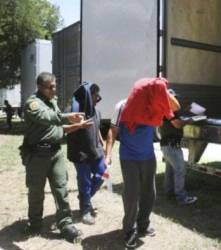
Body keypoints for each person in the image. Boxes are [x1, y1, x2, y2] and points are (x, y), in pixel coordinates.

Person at [106, 78, 180, 248]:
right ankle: (129, 230)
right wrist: (108, 154)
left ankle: (143, 225)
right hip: (129, 158)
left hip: (148, 157)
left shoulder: (153, 105)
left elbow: (175, 107)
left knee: (150, 193)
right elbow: (113, 131)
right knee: (131, 195)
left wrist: (162, 90)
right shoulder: (122, 106)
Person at [21, 72, 92, 242]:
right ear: (40, 87)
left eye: (55, 86)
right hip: (37, 155)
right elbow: (48, 118)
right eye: (50, 87)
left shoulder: (52, 101)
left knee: (61, 189)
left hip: (56, 153)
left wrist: (77, 126)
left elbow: (58, 129)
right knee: (36, 191)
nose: (54, 90)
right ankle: (35, 223)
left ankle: (65, 224)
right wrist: (68, 116)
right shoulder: (32, 104)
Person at [67, 82, 106, 225]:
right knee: (85, 182)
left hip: (96, 152)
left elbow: (97, 129)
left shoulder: (97, 112)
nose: (98, 98)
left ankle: (85, 198)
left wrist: (102, 143)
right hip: (81, 154)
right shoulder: (73, 111)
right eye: (96, 95)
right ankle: (85, 211)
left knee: (104, 174)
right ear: (89, 95)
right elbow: (65, 130)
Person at [160, 89, 198, 205]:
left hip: (167, 144)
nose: (176, 100)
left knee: (170, 171)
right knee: (180, 170)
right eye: (174, 98)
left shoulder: (165, 110)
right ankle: (181, 198)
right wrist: (189, 121)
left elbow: (174, 120)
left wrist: (185, 111)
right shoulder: (169, 111)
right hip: (172, 145)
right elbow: (177, 124)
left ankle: (169, 192)